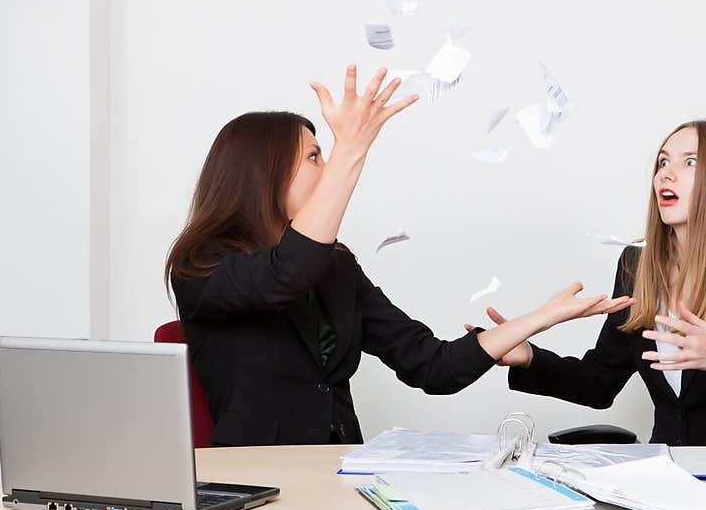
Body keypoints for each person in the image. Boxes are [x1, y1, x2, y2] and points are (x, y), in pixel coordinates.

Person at [165, 64, 634, 446]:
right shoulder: (202, 266)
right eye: (314, 157)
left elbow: (432, 366)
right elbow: (286, 273)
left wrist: (539, 318)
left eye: (326, 155)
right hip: (254, 482)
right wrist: (352, 150)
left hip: (336, 474)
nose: (326, 168)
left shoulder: (336, 268)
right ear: (260, 176)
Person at [483, 120, 706, 473]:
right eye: (663, 162)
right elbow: (597, 384)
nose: (666, 175)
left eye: (690, 162)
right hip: (666, 479)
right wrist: (530, 358)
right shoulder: (638, 266)